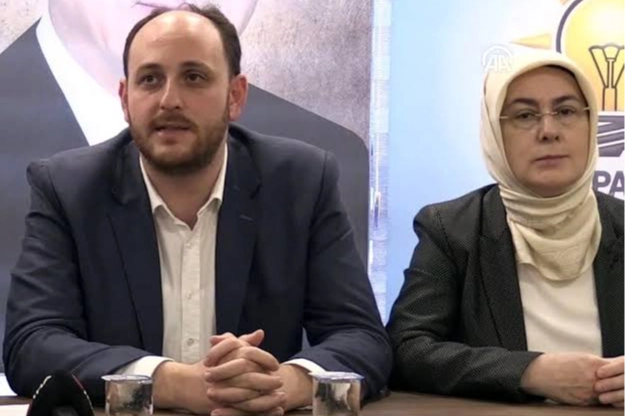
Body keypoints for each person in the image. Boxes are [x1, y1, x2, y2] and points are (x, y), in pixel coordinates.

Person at [3, 5, 390, 415]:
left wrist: (282, 384)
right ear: (125, 99)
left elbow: (362, 338)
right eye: (150, 79)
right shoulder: (68, 188)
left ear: (235, 96)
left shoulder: (301, 182)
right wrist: (172, 383)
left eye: (194, 77)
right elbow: (32, 344)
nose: (170, 100)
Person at [387, 49, 625, 408]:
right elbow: (406, 348)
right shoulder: (452, 230)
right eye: (525, 115)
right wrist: (529, 372)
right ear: (494, 133)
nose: (549, 131)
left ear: (592, 123)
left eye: (565, 111)